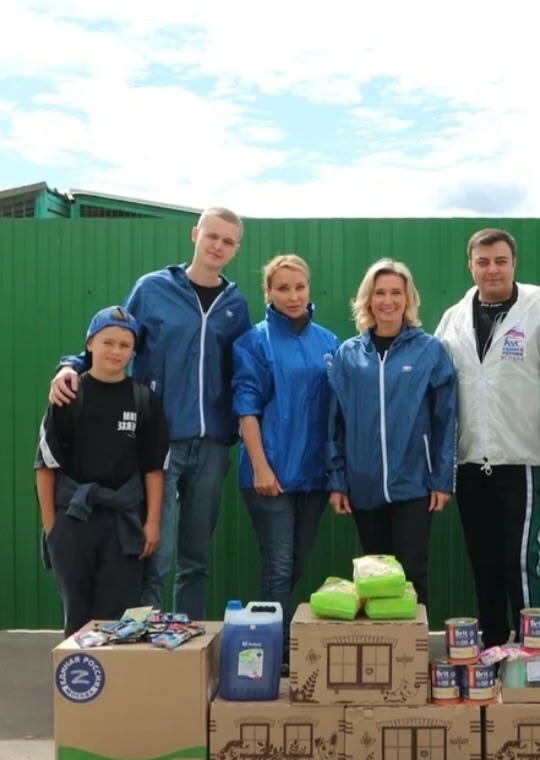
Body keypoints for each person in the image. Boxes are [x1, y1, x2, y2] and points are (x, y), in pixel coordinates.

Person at [47, 207, 252, 620]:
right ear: (196, 234)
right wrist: (70, 366)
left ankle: (187, 638)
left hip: (212, 444)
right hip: (158, 440)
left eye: (228, 241)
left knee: (196, 556)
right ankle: (146, 643)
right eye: (212, 236)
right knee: (153, 553)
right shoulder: (153, 288)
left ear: (236, 249)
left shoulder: (235, 303)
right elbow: (114, 337)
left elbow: (244, 367)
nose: (217, 246)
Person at [435, 228, 540, 647]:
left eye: (500, 261)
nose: (492, 269)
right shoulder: (454, 319)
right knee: (484, 560)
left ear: (514, 263)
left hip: (525, 461)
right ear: (471, 266)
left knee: (521, 561)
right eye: (483, 262)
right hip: (470, 461)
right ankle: (496, 648)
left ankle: (535, 651)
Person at [327, 258, 457, 608]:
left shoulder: (429, 350)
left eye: (396, 292)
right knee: (374, 576)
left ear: (408, 298)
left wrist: (443, 479)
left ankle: (412, 656)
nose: (388, 300)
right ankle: (383, 656)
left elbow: (446, 418)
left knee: (413, 573)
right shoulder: (349, 355)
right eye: (380, 292)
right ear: (368, 299)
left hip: (414, 483)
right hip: (363, 483)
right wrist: (338, 480)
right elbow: (335, 423)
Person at [232, 254, 339, 672]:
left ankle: (268, 643)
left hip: (312, 476)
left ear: (309, 289)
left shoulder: (329, 342)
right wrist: (260, 466)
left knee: (294, 564)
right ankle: (272, 657)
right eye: (282, 288)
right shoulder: (253, 342)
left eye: (299, 287)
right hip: (269, 475)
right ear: (269, 293)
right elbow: (247, 409)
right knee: (278, 565)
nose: (293, 296)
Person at [35, 306, 170, 637]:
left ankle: (116, 688)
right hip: (75, 519)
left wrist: (151, 523)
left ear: (134, 351)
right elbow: (45, 465)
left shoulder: (144, 400)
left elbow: (154, 469)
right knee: (77, 615)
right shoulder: (68, 395)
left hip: (124, 523)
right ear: (90, 344)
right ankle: (77, 686)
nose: (116, 351)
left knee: (118, 616)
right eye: (108, 342)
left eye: (125, 345)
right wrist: (53, 526)